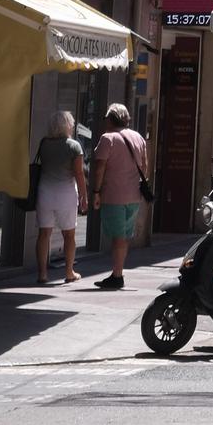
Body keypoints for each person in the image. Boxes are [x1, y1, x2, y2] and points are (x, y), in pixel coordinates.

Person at [90, 104, 151, 290]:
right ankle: (118, 272)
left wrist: (96, 192)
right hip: (133, 195)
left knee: (117, 236)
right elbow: (145, 165)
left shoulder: (107, 139)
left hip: (114, 194)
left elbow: (99, 168)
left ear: (110, 119)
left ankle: (117, 275)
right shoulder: (138, 137)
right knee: (123, 237)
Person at [34, 111, 87, 286]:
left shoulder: (44, 143)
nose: (72, 126)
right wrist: (84, 196)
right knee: (69, 234)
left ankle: (42, 274)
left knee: (44, 234)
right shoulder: (74, 146)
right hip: (66, 193)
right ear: (67, 125)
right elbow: (79, 174)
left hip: (45, 192)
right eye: (71, 124)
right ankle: (69, 271)